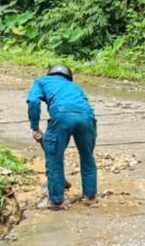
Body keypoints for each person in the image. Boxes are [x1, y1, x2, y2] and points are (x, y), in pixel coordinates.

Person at [27, 64, 98, 211]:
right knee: (87, 156)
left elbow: (33, 101)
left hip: (61, 116)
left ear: (49, 74)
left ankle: (56, 200)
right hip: (87, 118)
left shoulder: (41, 81)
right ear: (68, 76)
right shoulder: (74, 86)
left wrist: (35, 127)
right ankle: (90, 197)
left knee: (54, 156)